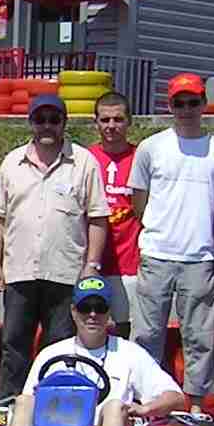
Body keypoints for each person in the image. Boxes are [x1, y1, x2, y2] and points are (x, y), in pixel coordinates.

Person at [0, 91, 108, 401]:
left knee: (60, 346)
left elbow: (96, 218)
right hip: (20, 271)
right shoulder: (12, 162)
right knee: (13, 346)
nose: (47, 126)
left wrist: (90, 266)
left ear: (64, 123)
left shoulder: (84, 163)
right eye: (40, 119)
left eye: (54, 119)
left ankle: (55, 406)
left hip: (65, 273)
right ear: (31, 123)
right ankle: (9, 407)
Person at [7, 276, 187, 426]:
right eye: (85, 307)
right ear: (74, 311)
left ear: (108, 313)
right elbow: (29, 399)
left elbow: (176, 397)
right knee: (25, 401)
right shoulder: (50, 354)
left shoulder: (130, 352)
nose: (92, 314)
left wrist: (145, 409)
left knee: (115, 406)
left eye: (99, 308)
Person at [129, 73, 214, 401]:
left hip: (198, 258)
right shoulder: (151, 147)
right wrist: (158, 231)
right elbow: (139, 201)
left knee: (200, 338)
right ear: (169, 106)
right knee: (147, 334)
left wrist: (204, 238)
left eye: (193, 102)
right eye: (179, 103)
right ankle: (146, 402)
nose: (186, 109)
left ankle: (196, 406)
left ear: (204, 104)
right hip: (157, 254)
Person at [88, 91, 141, 328]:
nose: (111, 126)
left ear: (129, 121)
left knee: (126, 328)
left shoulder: (142, 157)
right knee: (90, 326)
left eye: (118, 119)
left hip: (130, 264)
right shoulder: (84, 159)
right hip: (89, 263)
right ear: (96, 122)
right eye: (105, 119)